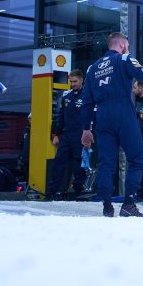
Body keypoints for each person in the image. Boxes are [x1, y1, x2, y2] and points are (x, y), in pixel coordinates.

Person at [80, 32, 143, 218]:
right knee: (137, 160)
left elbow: (86, 102)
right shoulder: (124, 59)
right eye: (127, 45)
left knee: (106, 163)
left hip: (103, 116)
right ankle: (128, 204)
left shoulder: (92, 68)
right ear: (122, 45)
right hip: (123, 114)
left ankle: (107, 206)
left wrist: (86, 129)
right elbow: (142, 71)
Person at [47, 69, 87, 200]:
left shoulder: (88, 96)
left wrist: (89, 134)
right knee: (58, 162)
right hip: (66, 136)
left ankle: (77, 191)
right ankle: (53, 191)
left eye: (75, 81)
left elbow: (92, 117)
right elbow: (61, 117)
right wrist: (56, 134)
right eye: (71, 81)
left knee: (78, 164)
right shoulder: (66, 97)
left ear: (81, 80)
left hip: (80, 136)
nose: (73, 84)